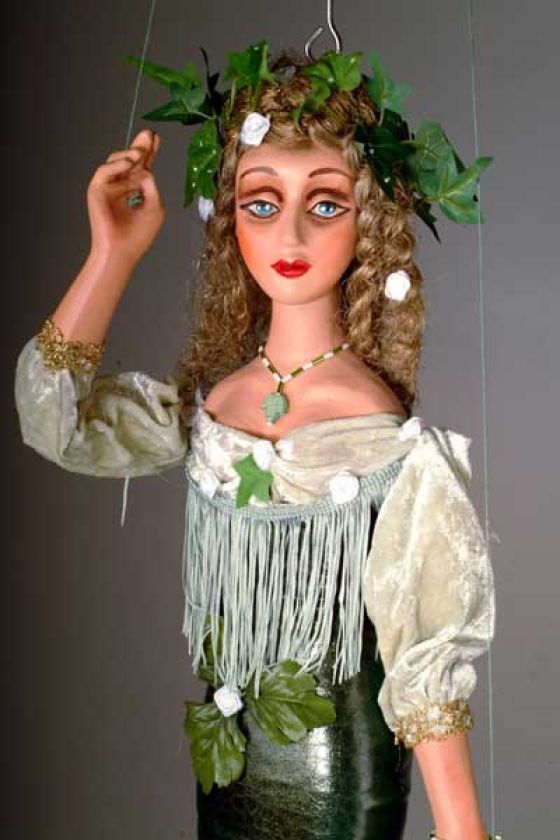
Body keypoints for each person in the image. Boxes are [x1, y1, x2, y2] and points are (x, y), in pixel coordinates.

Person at [14, 47, 497, 840]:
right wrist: (112, 256)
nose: (291, 232)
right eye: (263, 202)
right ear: (229, 215)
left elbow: (424, 656)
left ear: (369, 219)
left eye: (327, 204)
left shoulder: (385, 443)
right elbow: (54, 422)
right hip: (228, 777)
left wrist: (463, 832)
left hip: (339, 780)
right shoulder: (212, 409)